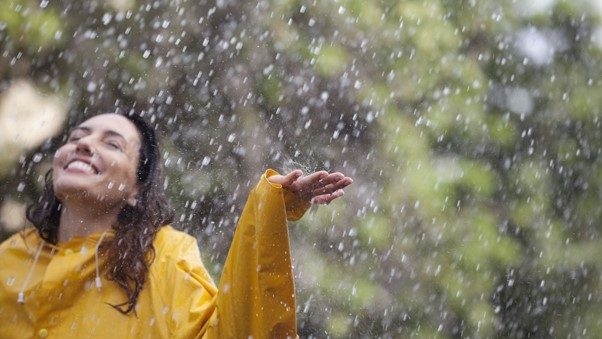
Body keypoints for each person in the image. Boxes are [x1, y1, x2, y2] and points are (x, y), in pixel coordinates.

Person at [0, 112, 353, 338]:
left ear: (136, 190)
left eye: (111, 144)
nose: (83, 146)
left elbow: (233, 333)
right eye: (77, 136)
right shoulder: (10, 259)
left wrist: (270, 206)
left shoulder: (164, 257)